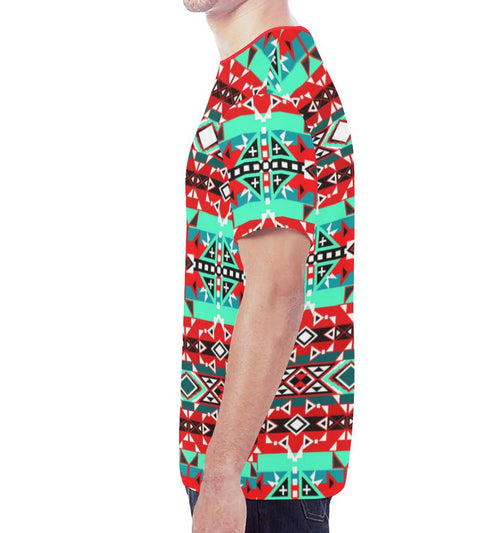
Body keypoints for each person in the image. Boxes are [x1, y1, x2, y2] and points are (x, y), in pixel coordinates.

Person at [179, 1, 355, 531]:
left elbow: (278, 289)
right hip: (268, 473)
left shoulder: (265, 85)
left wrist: (221, 475)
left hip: (259, 481)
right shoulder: (272, 66)